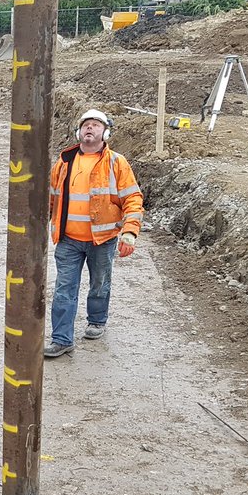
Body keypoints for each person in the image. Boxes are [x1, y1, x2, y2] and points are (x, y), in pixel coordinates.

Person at [44, 109, 144, 358]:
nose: (90, 128)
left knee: (100, 283)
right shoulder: (64, 161)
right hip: (68, 240)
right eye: (86, 124)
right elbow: (50, 198)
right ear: (78, 131)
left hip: (102, 239)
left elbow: (132, 197)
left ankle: (97, 320)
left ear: (105, 132)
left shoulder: (115, 162)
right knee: (64, 289)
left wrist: (130, 232)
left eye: (95, 125)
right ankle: (61, 339)